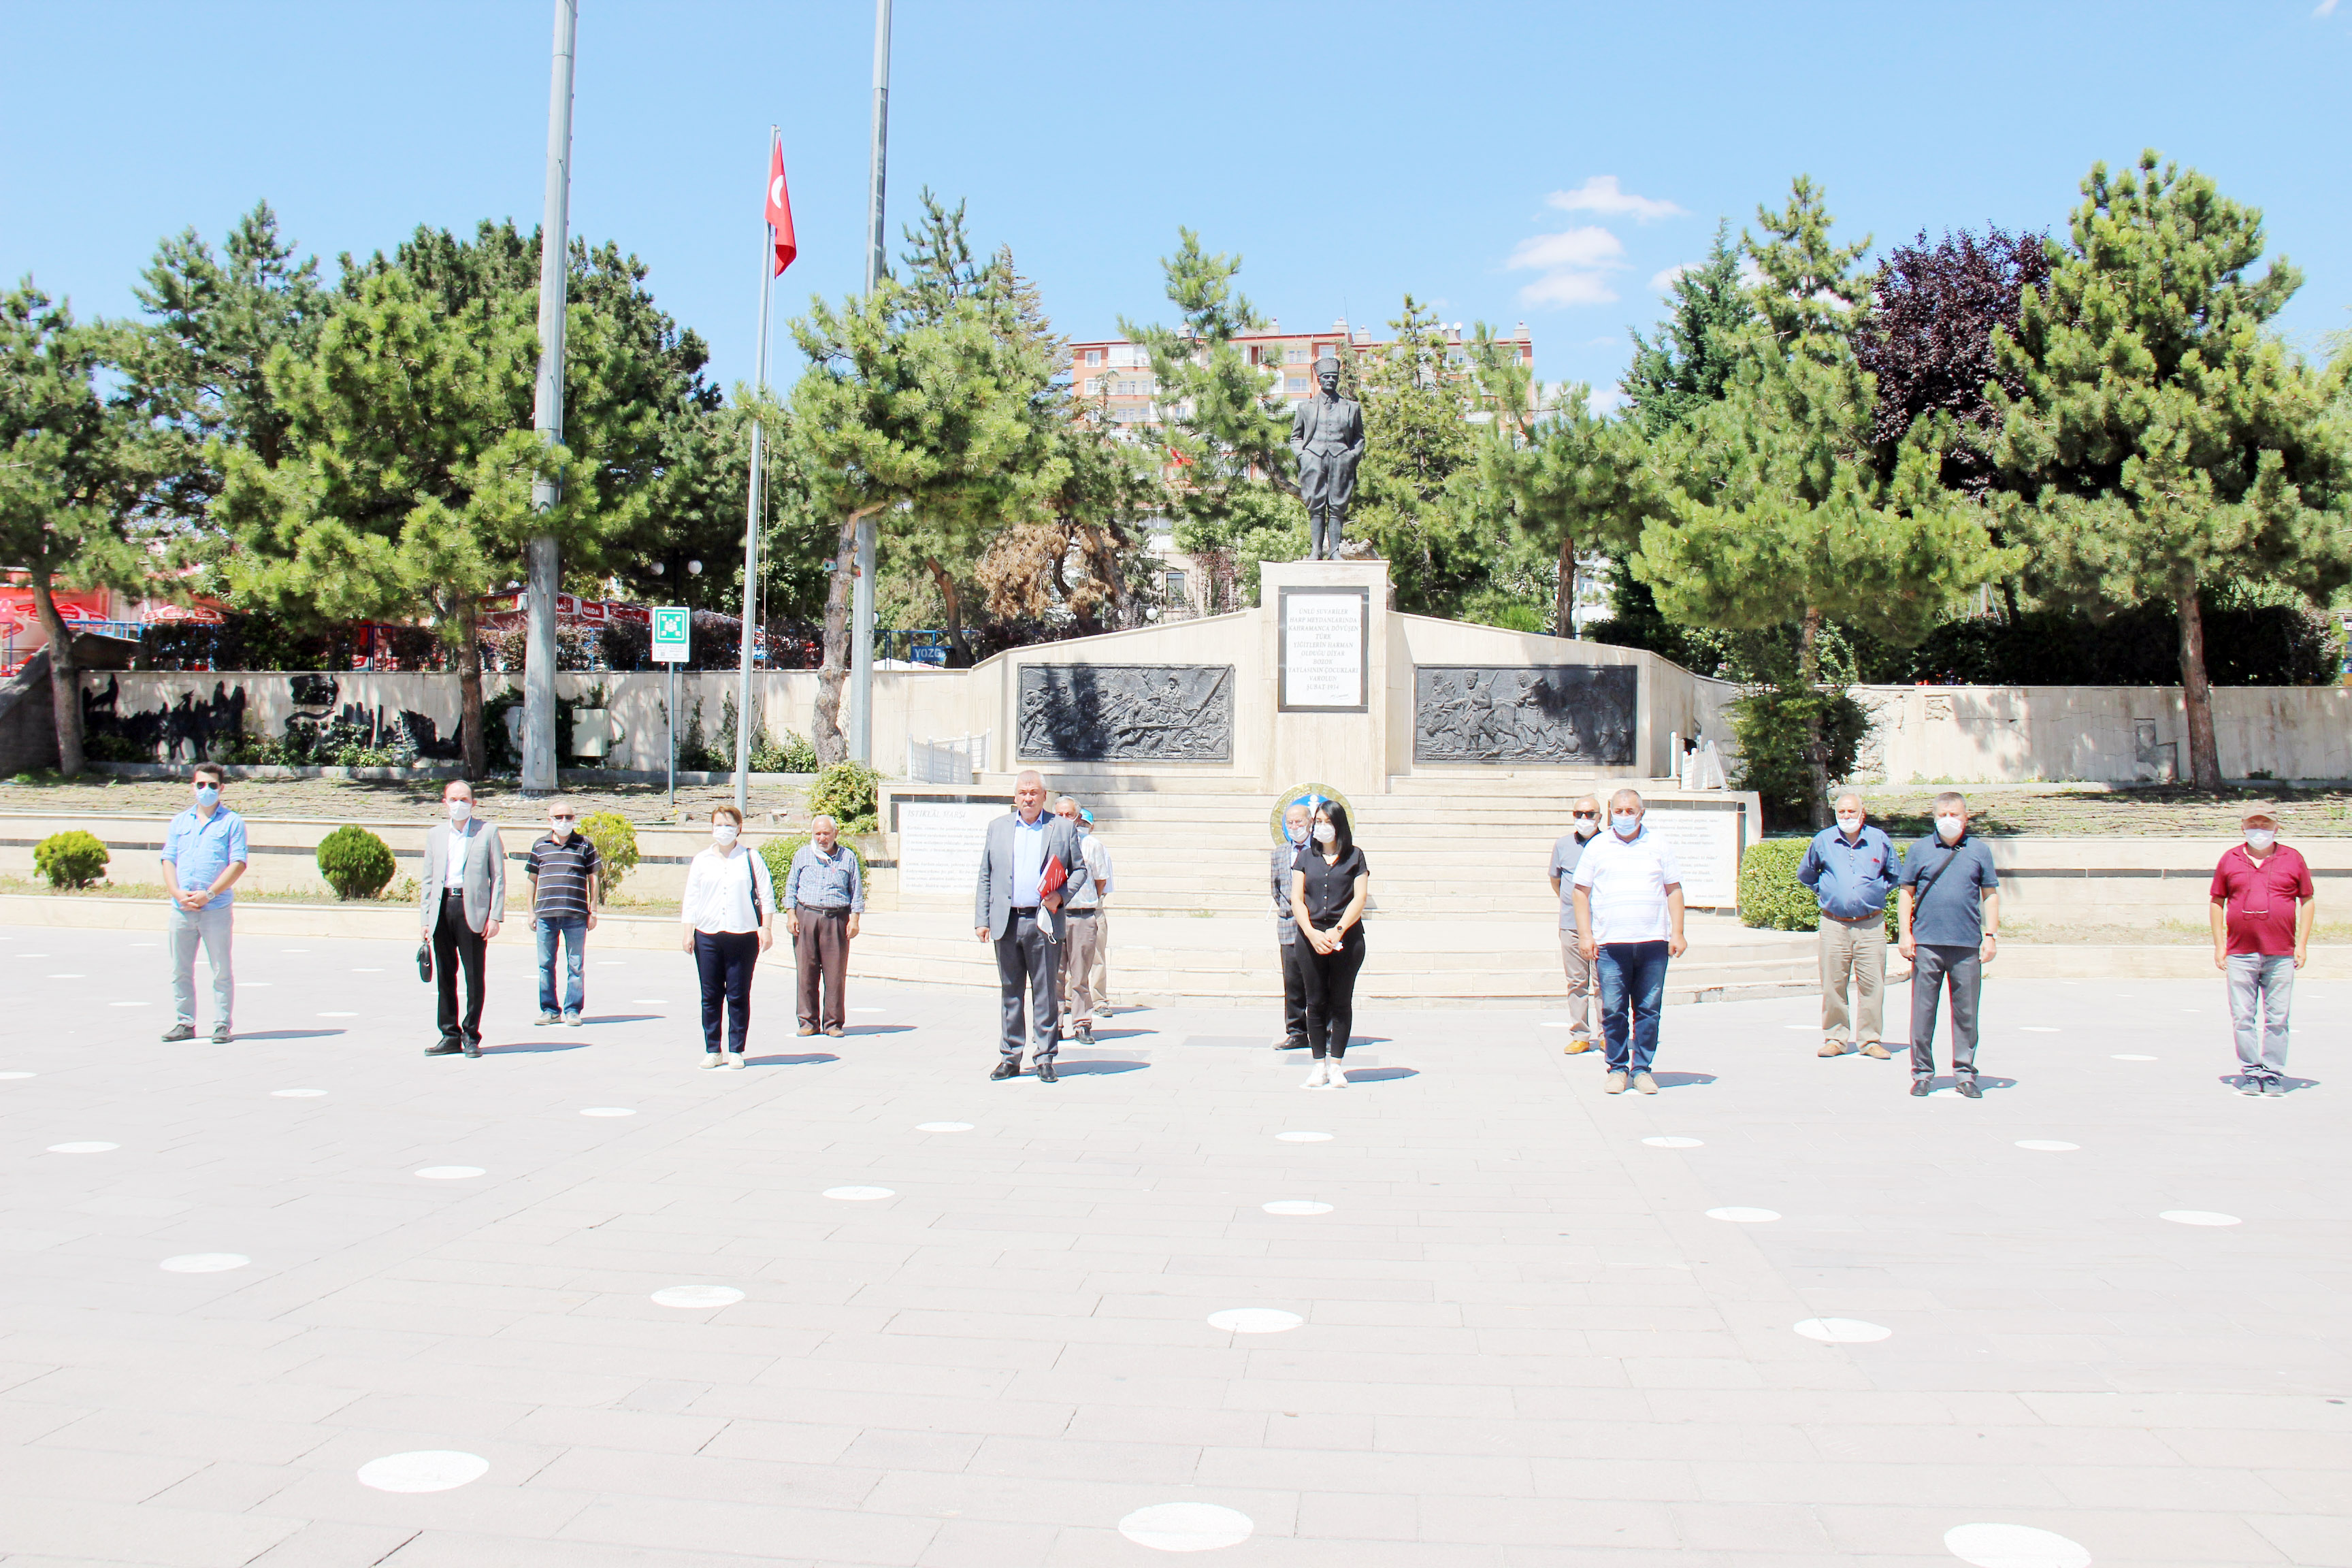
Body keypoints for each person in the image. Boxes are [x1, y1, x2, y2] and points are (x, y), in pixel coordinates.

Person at [975, 770, 1091, 1082]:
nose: (1028, 798)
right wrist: (982, 919)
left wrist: (1061, 895)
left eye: (1034, 793)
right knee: (1010, 992)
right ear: (1015, 797)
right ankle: (1010, 1057)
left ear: (1044, 796)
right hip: (1007, 921)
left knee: (1045, 992)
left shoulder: (1061, 827)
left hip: (1043, 923)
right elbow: (986, 875)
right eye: (1023, 793)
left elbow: (1080, 870)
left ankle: (1045, 1057)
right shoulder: (998, 828)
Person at [1572, 789, 1688, 1096]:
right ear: (1611, 813)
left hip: (1652, 943)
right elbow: (1580, 892)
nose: (1625, 816)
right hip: (1611, 944)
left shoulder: (1658, 845)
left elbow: (1673, 889)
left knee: (1649, 1009)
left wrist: (1677, 932)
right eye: (1619, 811)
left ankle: (1642, 1070)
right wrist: (1586, 935)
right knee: (1613, 1009)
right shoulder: (1597, 846)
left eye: (1630, 811)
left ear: (1641, 813)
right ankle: (1617, 1069)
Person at [1897, 791, 2000, 1098]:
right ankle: (1922, 1073)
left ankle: (1965, 1074)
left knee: (1967, 1014)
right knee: (1923, 1012)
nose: (1949, 820)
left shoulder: (1979, 851)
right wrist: (1905, 934)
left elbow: (1990, 894)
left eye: (1954, 814)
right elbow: (1906, 893)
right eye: (1942, 815)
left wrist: (1991, 935)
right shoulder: (1919, 850)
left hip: (1966, 944)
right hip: (1927, 944)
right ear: (1934, 818)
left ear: (1966, 817)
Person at [2210, 811, 2314, 1096]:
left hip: (2281, 953)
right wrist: (2220, 945)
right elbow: (2217, 901)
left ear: (2276, 827)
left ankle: (2272, 1073)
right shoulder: (2230, 859)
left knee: (2278, 1018)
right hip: (2240, 953)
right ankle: (2251, 1072)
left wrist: (2302, 944)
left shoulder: (2293, 859)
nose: (2259, 829)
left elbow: (2307, 900)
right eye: (2253, 824)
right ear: (2242, 827)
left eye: (2265, 823)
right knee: (2243, 1017)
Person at [1797, 792, 1901, 1060]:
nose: (1846, 816)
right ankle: (1835, 1038)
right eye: (1841, 812)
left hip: (1871, 925)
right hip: (1834, 925)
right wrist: (1827, 891)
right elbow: (1806, 874)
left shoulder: (1879, 840)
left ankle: (1870, 1040)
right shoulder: (1823, 841)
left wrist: (1874, 892)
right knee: (1833, 985)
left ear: (1862, 813)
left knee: (1873, 986)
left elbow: (1894, 875)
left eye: (1852, 811)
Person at [680, 804, 776, 1070]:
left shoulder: (750, 858)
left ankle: (736, 1050)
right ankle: (713, 1049)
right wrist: (688, 932)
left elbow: (766, 895)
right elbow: (691, 898)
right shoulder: (702, 860)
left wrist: (766, 928)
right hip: (707, 935)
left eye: (728, 825)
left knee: (737, 994)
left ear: (739, 828)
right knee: (710, 995)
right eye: (718, 825)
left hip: (742, 935)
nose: (723, 830)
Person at [160, 762, 247, 1045]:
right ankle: (184, 1023)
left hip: (215, 909)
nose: (206, 790)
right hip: (182, 909)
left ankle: (222, 1025)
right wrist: (177, 893)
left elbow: (238, 863)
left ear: (221, 788)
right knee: (180, 970)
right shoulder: (179, 822)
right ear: (193, 787)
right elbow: (168, 859)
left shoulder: (232, 822)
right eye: (201, 785)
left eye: (212, 785)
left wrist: (208, 894)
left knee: (221, 969)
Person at [419, 781, 505, 1058]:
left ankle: (471, 1035)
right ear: (444, 802)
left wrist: (495, 916)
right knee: (445, 975)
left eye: (464, 799)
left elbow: (498, 877)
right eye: (453, 799)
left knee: (474, 976)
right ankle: (449, 1035)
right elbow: (428, 879)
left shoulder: (487, 832)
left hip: (472, 910)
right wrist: (425, 919)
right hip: (442, 907)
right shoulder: (435, 835)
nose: (459, 804)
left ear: (473, 803)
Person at [1291, 801, 1370, 1088]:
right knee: (1315, 1002)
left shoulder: (1355, 856)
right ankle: (1318, 1066)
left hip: (1345, 937)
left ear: (1339, 825)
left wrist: (1338, 931)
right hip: (1311, 937)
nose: (1322, 827)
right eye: (1319, 822)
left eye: (1328, 822)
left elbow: (1359, 898)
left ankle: (1336, 1065)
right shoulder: (1305, 857)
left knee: (1340, 1002)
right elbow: (1297, 898)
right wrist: (1312, 933)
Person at [785, 813, 863, 1038]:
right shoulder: (803, 855)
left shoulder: (847, 857)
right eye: (817, 833)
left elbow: (856, 891)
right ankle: (808, 1022)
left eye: (826, 833)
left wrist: (855, 920)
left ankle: (833, 1024)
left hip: (836, 919)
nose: (822, 838)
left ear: (835, 833)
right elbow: (791, 887)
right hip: (806, 917)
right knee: (806, 972)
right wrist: (791, 915)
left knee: (835, 974)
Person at [525, 798, 600, 1026]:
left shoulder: (584, 845)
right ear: (550, 820)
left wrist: (593, 910)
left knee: (576, 965)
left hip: (575, 916)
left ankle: (573, 1010)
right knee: (545, 965)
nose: (564, 821)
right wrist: (530, 911)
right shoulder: (540, 845)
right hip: (546, 915)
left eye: (569, 817)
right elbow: (532, 879)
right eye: (559, 817)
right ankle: (550, 1010)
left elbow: (594, 878)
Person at [1289, 354, 1366, 559]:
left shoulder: (1352, 408)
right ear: (1319, 379)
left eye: (1334, 377)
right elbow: (1296, 437)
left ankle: (1334, 551)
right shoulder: (1305, 407)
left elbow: (1359, 438)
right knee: (1315, 505)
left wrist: (1351, 456)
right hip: (1313, 459)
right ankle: (1316, 550)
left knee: (1337, 506)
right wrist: (1303, 456)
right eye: (1326, 377)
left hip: (1341, 460)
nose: (1330, 380)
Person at [1547, 794, 1603, 1054]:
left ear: (1600, 817)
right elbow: (1556, 880)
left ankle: (1607, 1034)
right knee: (1577, 982)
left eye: (1589, 814)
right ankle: (1581, 1035)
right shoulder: (1562, 845)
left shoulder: (1609, 844)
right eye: (1579, 814)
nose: (1584, 818)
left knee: (1604, 983)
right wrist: (1571, 903)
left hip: (1602, 925)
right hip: (1571, 925)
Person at [1053, 798, 1108, 1046]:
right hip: (1055, 915)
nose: (1065, 819)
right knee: (1054, 975)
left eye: (1069, 815)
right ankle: (1053, 1025)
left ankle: (1082, 1023)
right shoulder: (1047, 842)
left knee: (1080, 975)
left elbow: (1100, 880)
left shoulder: (1091, 845)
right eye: (1060, 815)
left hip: (1082, 914)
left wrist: (1087, 901)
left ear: (1077, 817)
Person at [1271, 798, 1313, 1050]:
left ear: (1310, 822)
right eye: (1290, 823)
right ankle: (1296, 1032)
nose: (1295, 826)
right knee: (1293, 982)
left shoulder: (1320, 850)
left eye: (1299, 821)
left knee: (1320, 981)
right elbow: (1276, 889)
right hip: (1289, 925)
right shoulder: (1279, 854)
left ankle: (1325, 1030)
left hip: (1317, 924)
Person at [1081, 807, 1115, 1013]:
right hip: (1068, 908)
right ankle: (1068, 999)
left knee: (1097, 957)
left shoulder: (1097, 847)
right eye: (1079, 823)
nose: (1081, 828)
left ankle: (1098, 1000)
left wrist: (1093, 900)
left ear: (1092, 827)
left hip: (1093, 908)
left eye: (1085, 824)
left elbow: (1104, 881)